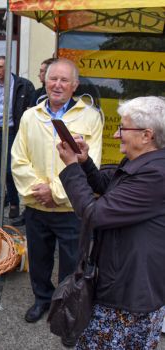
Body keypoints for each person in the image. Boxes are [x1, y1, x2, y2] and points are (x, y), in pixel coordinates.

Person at [57, 96, 165, 349]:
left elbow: (95, 215)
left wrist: (71, 168)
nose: (116, 135)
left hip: (128, 296)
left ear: (146, 135)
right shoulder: (142, 163)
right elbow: (111, 190)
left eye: (122, 128)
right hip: (122, 281)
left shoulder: (156, 174)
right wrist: (84, 163)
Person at [11, 58, 103, 334]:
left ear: (75, 85)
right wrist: (37, 191)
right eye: (53, 79)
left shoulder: (90, 117)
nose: (58, 85)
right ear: (45, 81)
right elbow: (18, 159)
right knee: (39, 260)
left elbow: (91, 162)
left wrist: (56, 192)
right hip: (37, 207)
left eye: (65, 80)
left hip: (70, 209)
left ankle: (64, 306)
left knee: (72, 263)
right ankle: (42, 299)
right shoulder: (31, 115)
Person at [0, 55, 35, 219]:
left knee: (10, 170)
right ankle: (1, 197)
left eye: (0, 67)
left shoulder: (24, 86)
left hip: (12, 131)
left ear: (9, 68)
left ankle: (14, 202)